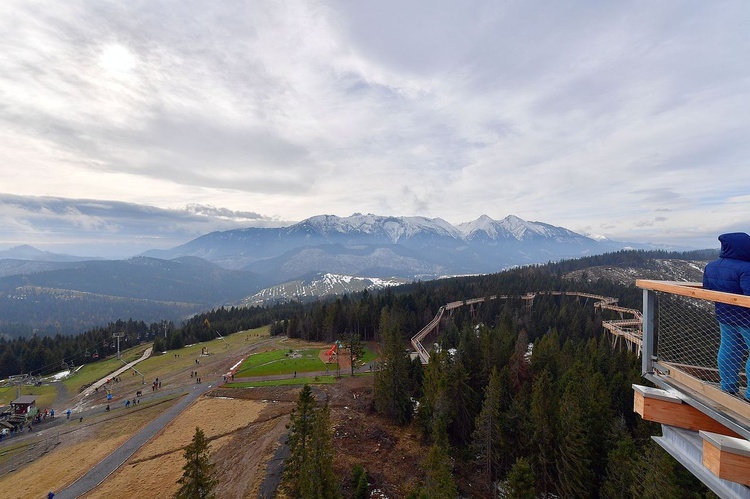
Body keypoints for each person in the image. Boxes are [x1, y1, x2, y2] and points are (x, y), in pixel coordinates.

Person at [703, 232, 750, 400]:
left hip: (725, 315)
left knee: (729, 350)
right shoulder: (746, 268)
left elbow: (708, 290)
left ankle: (728, 386)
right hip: (747, 319)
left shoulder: (711, 266)